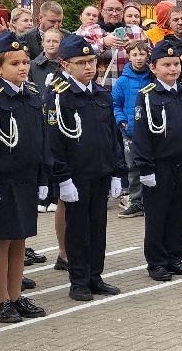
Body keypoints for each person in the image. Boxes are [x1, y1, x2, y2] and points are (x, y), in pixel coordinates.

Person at [0, 34, 49, 324]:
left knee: (20, 240)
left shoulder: (31, 95)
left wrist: (42, 176)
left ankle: (16, 295)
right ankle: (0, 299)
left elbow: (39, 140)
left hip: (26, 178)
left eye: (25, 62)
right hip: (1, 182)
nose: (23, 67)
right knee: (0, 242)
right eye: (14, 63)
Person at [47, 34, 125, 301]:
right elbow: (54, 140)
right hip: (76, 174)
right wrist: (63, 178)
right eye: (81, 62)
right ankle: (78, 280)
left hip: (100, 170)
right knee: (78, 228)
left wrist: (117, 171)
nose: (89, 67)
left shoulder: (100, 94)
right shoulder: (59, 96)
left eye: (91, 61)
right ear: (66, 65)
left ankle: (95, 275)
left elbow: (111, 135)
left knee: (98, 226)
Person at [132, 36, 182, 280]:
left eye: (176, 64)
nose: (173, 69)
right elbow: (142, 135)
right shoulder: (147, 96)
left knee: (179, 213)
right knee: (157, 215)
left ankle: (175, 258)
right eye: (166, 65)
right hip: (159, 165)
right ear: (153, 67)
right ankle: (156, 262)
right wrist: (145, 168)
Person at [112, 38, 155, 217]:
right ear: (128, 56)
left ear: (148, 56)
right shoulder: (122, 81)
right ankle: (136, 200)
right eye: (134, 55)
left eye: (142, 54)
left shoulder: (153, 78)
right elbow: (115, 103)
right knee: (133, 167)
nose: (138, 58)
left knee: (152, 164)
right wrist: (121, 120)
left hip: (151, 131)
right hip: (130, 132)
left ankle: (152, 200)